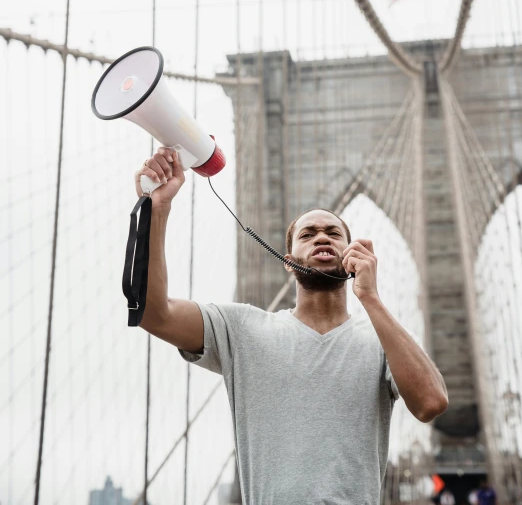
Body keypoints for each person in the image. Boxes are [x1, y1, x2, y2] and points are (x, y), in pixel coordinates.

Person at [137, 149, 449, 504]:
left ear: (351, 254)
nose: (322, 238)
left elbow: (431, 403)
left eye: (333, 233)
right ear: (288, 262)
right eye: (308, 234)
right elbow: (153, 313)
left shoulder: (383, 343)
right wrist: (157, 209)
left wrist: (371, 298)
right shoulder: (242, 329)